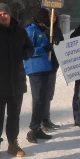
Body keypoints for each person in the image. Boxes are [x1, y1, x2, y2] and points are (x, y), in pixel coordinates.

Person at [0, 4, 33, 157]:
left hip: (17, 80)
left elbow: (30, 47)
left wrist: (25, 53)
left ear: (10, 14)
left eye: (5, 13)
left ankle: (13, 143)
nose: (2, 16)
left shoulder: (20, 31)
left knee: (14, 114)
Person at [24, 9, 55, 144]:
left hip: (44, 68)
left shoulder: (42, 29)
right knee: (37, 100)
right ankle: (32, 129)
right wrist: (44, 49)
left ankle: (38, 128)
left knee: (43, 99)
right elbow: (27, 51)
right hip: (35, 69)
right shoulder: (31, 30)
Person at [41, 9, 65, 132]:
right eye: (51, 16)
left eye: (55, 16)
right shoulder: (42, 29)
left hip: (53, 66)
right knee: (41, 95)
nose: (53, 18)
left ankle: (46, 119)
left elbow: (63, 47)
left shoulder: (57, 30)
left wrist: (58, 44)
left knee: (49, 95)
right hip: (42, 67)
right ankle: (41, 121)